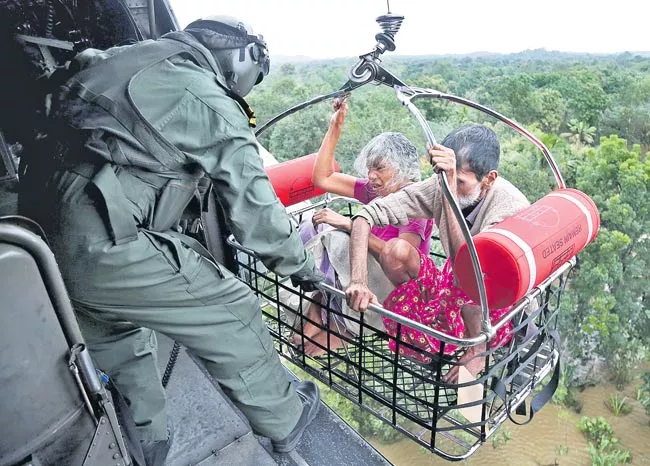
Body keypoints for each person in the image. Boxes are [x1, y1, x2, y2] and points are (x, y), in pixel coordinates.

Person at [20, 15, 323, 462]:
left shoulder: (122, 57)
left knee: (119, 336)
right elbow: (257, 213)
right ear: (243, 60)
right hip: (100, 239)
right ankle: (286, 418)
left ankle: (148, 441)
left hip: (36, 231)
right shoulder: (204, 97)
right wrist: (301, 267)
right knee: (232, 309)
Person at [345, 124, 530, 381]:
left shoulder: (509, 207)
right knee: (396, 252)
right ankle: (432, 336)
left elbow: (473, 270)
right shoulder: (441, 184)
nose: (447, 186)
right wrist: (358, 280)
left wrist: (450, 193)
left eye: (461, 182)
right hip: (454, 277)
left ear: (488, 179)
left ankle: (478, 346)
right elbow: (366, 215)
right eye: (443, 179)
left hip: (492, 292)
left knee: (472, 288)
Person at [295, 98, 434, 356]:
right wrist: (335, 127)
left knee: (308, 347)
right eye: (370, 168)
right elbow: (322, 177)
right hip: (354, 279)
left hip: (386, 291)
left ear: (402, 170)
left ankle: (336, 317)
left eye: (379, 168)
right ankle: (325, 299)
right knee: (299, 341)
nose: (371, 175)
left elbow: (399, 257)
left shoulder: (415, 205)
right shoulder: (376, 193)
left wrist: (348, 225)